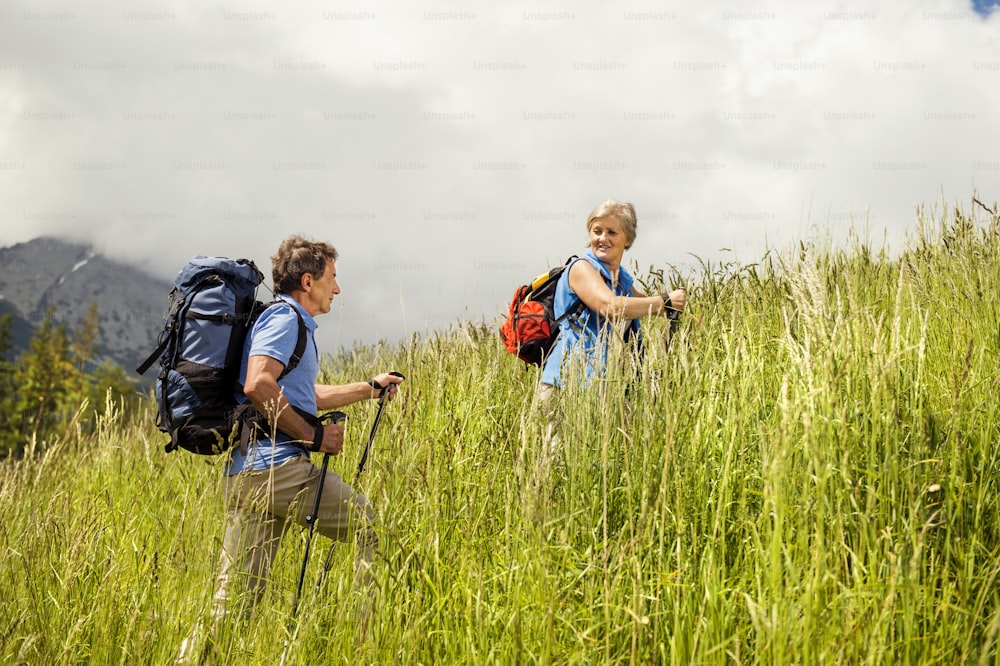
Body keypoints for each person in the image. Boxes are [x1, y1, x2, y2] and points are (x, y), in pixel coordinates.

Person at [179, 235, 403, 662]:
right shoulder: (286, 320)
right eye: (332, 279)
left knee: (235, 603)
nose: (336, 289)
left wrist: (368, 389)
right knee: (374, 533)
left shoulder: (281, 323)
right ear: (308, 281)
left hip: (247, 475)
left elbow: (302, 396)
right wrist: (314, 437)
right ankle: (369, 645)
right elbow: (258, 384)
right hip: (280, 470)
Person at [535, 199, 686, 451]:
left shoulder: (621, 279)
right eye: (597, 231)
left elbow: (639, 304)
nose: (602, 238)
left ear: (627, 239)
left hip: (605, 386)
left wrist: (671, 304)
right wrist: (663, 302)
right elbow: (611, 306)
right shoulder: (581, 269)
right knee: (562, 467)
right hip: (567, 384)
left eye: (612, 232)